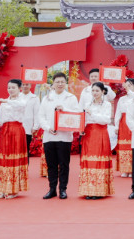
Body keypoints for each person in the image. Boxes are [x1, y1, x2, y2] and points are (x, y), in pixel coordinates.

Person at [39, 71, 81, 199]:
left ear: (66, 83)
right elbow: (41, 116)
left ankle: (63, 189)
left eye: (62, 82)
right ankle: (52, 189)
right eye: (57, 82)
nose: (60, 84)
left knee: (63, 164)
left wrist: (64, 109)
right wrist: (47, 127)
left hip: (64, 137)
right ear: (53, 83)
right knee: (51, 165)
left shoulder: (71, 98)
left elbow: (77, 114)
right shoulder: (47, 98)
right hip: (49, 136)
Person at [0, 79, 29, 199]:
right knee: (4, 158)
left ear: (19, 88)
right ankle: (3, 187)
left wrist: (5, 101)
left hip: (16, 130)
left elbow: (21, 106)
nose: (10, 90)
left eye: (13, 87)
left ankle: (13, 189)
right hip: (5, 131)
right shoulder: (4, 102)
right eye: (9, 87)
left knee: (14, 159)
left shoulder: (22, 100)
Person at [79, 82, 114, 199]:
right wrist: (80, 128)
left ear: (102, 91)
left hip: (100, 133)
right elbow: (83, 118)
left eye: (97, 91)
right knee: (89, 161)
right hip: (88, 134)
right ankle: (89, 189)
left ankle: (99, 190)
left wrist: (92, 113)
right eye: (93, 91)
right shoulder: (87, 104)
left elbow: (106, 120)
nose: (94, 93)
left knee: (99, 160)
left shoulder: (107, 105)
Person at [114, 78, 134, 177]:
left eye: (130, 85)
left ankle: (132, 169)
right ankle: (124, 169)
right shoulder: (122, 99)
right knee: (123, 146)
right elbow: (118, 113)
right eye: (126, 85)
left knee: (132, 146)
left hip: (133, 123)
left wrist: (129, 90)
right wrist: (116, 126)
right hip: (123, 124)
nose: (128, 87)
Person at [19, 82, 39, 154]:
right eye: (23, 85)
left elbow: (37, 113)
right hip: (16, 127)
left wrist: (35, 127)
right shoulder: (17, 96)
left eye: (27, 85)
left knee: (25, 150)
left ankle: (25, 165)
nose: (25, 86)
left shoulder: (34, 98)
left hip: (28, 128)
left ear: (30, 86)